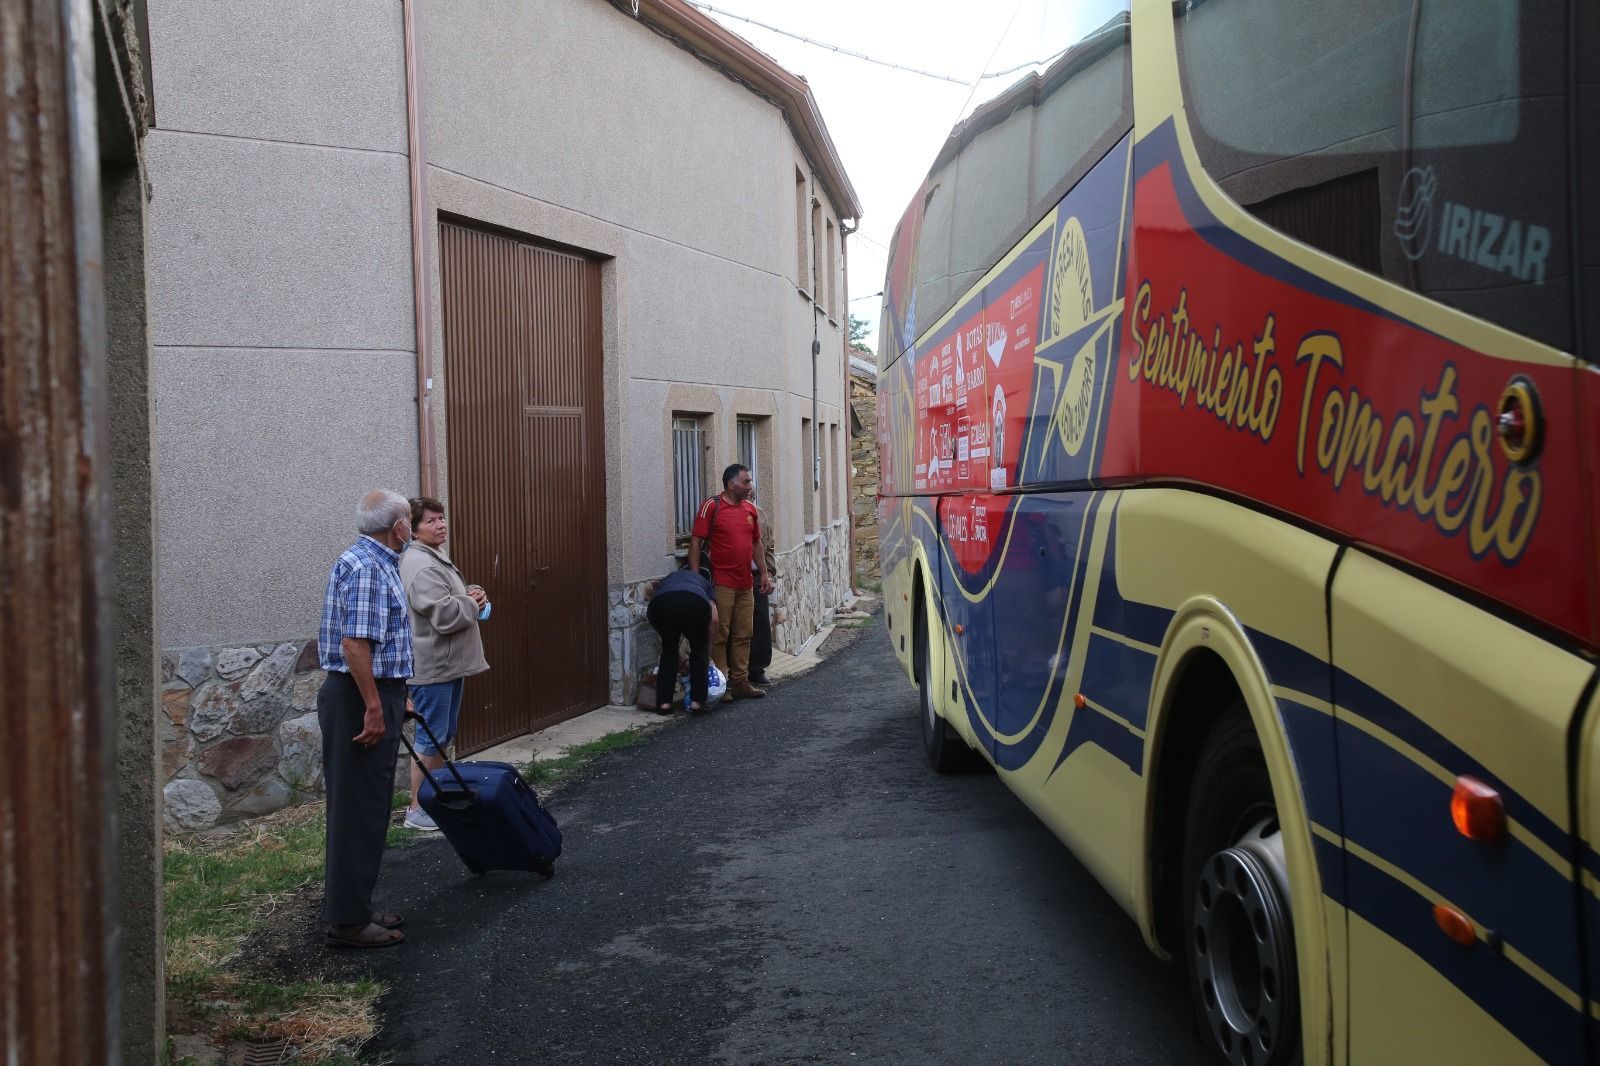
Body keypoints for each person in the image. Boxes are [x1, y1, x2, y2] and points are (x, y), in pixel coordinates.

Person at [316, 489, 414, 949]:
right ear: (397, 526)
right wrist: (375, 706)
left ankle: (355, 906)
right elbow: (356, 646)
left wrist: (398, 696)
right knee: (358, 809)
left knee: (368, 806)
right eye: (410, 520)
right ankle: (348, 922)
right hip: (359, 698)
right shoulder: (369, 568)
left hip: (375, 692)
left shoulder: (374, 562)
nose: (411, 528)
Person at [398, 496, 490, 831]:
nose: (440, 525)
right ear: (414, 529)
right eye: (431, 521)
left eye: (442, 518)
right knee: (430, 737)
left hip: (445, 664)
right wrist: (471, 602)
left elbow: (450, 599)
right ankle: (417, 808)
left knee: (440, 735)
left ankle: (432, 801)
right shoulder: (420, 563)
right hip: (433, 667)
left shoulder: (432, 555)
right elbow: (445, 614)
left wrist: (471, 594)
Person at [688, 463, 773, 700]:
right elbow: (696, 542)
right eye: (745, 481)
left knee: (744, 633)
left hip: (745, 583)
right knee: (720, 633)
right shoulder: (711, 506)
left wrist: (764, 573)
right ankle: (722, 683)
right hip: (721, 583)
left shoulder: (750, 510)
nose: (750, 486)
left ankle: (741, 681)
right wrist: (696, 581)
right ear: (731, 484)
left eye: (749, 481)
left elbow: (756, 543)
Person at [645, 568, 718, 713]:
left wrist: (676, 656)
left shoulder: (668, 579)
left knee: (669, 651)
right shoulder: (705, 583)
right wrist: (707, 652)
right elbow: (714, 619)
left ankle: (664, 704)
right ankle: (696, 702)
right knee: (698, 650)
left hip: (662, 604)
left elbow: (665, 637)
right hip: (695, 602)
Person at [747, 485, 778, 687]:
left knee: (761, 623)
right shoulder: (727, 514)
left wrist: (771, 573)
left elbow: (769, 545)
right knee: (737, 626)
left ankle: (757, 669)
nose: (749, 496)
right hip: (736, 575)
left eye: (751, 494)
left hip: (758, 576)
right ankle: (735, 670)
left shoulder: (761, 516)